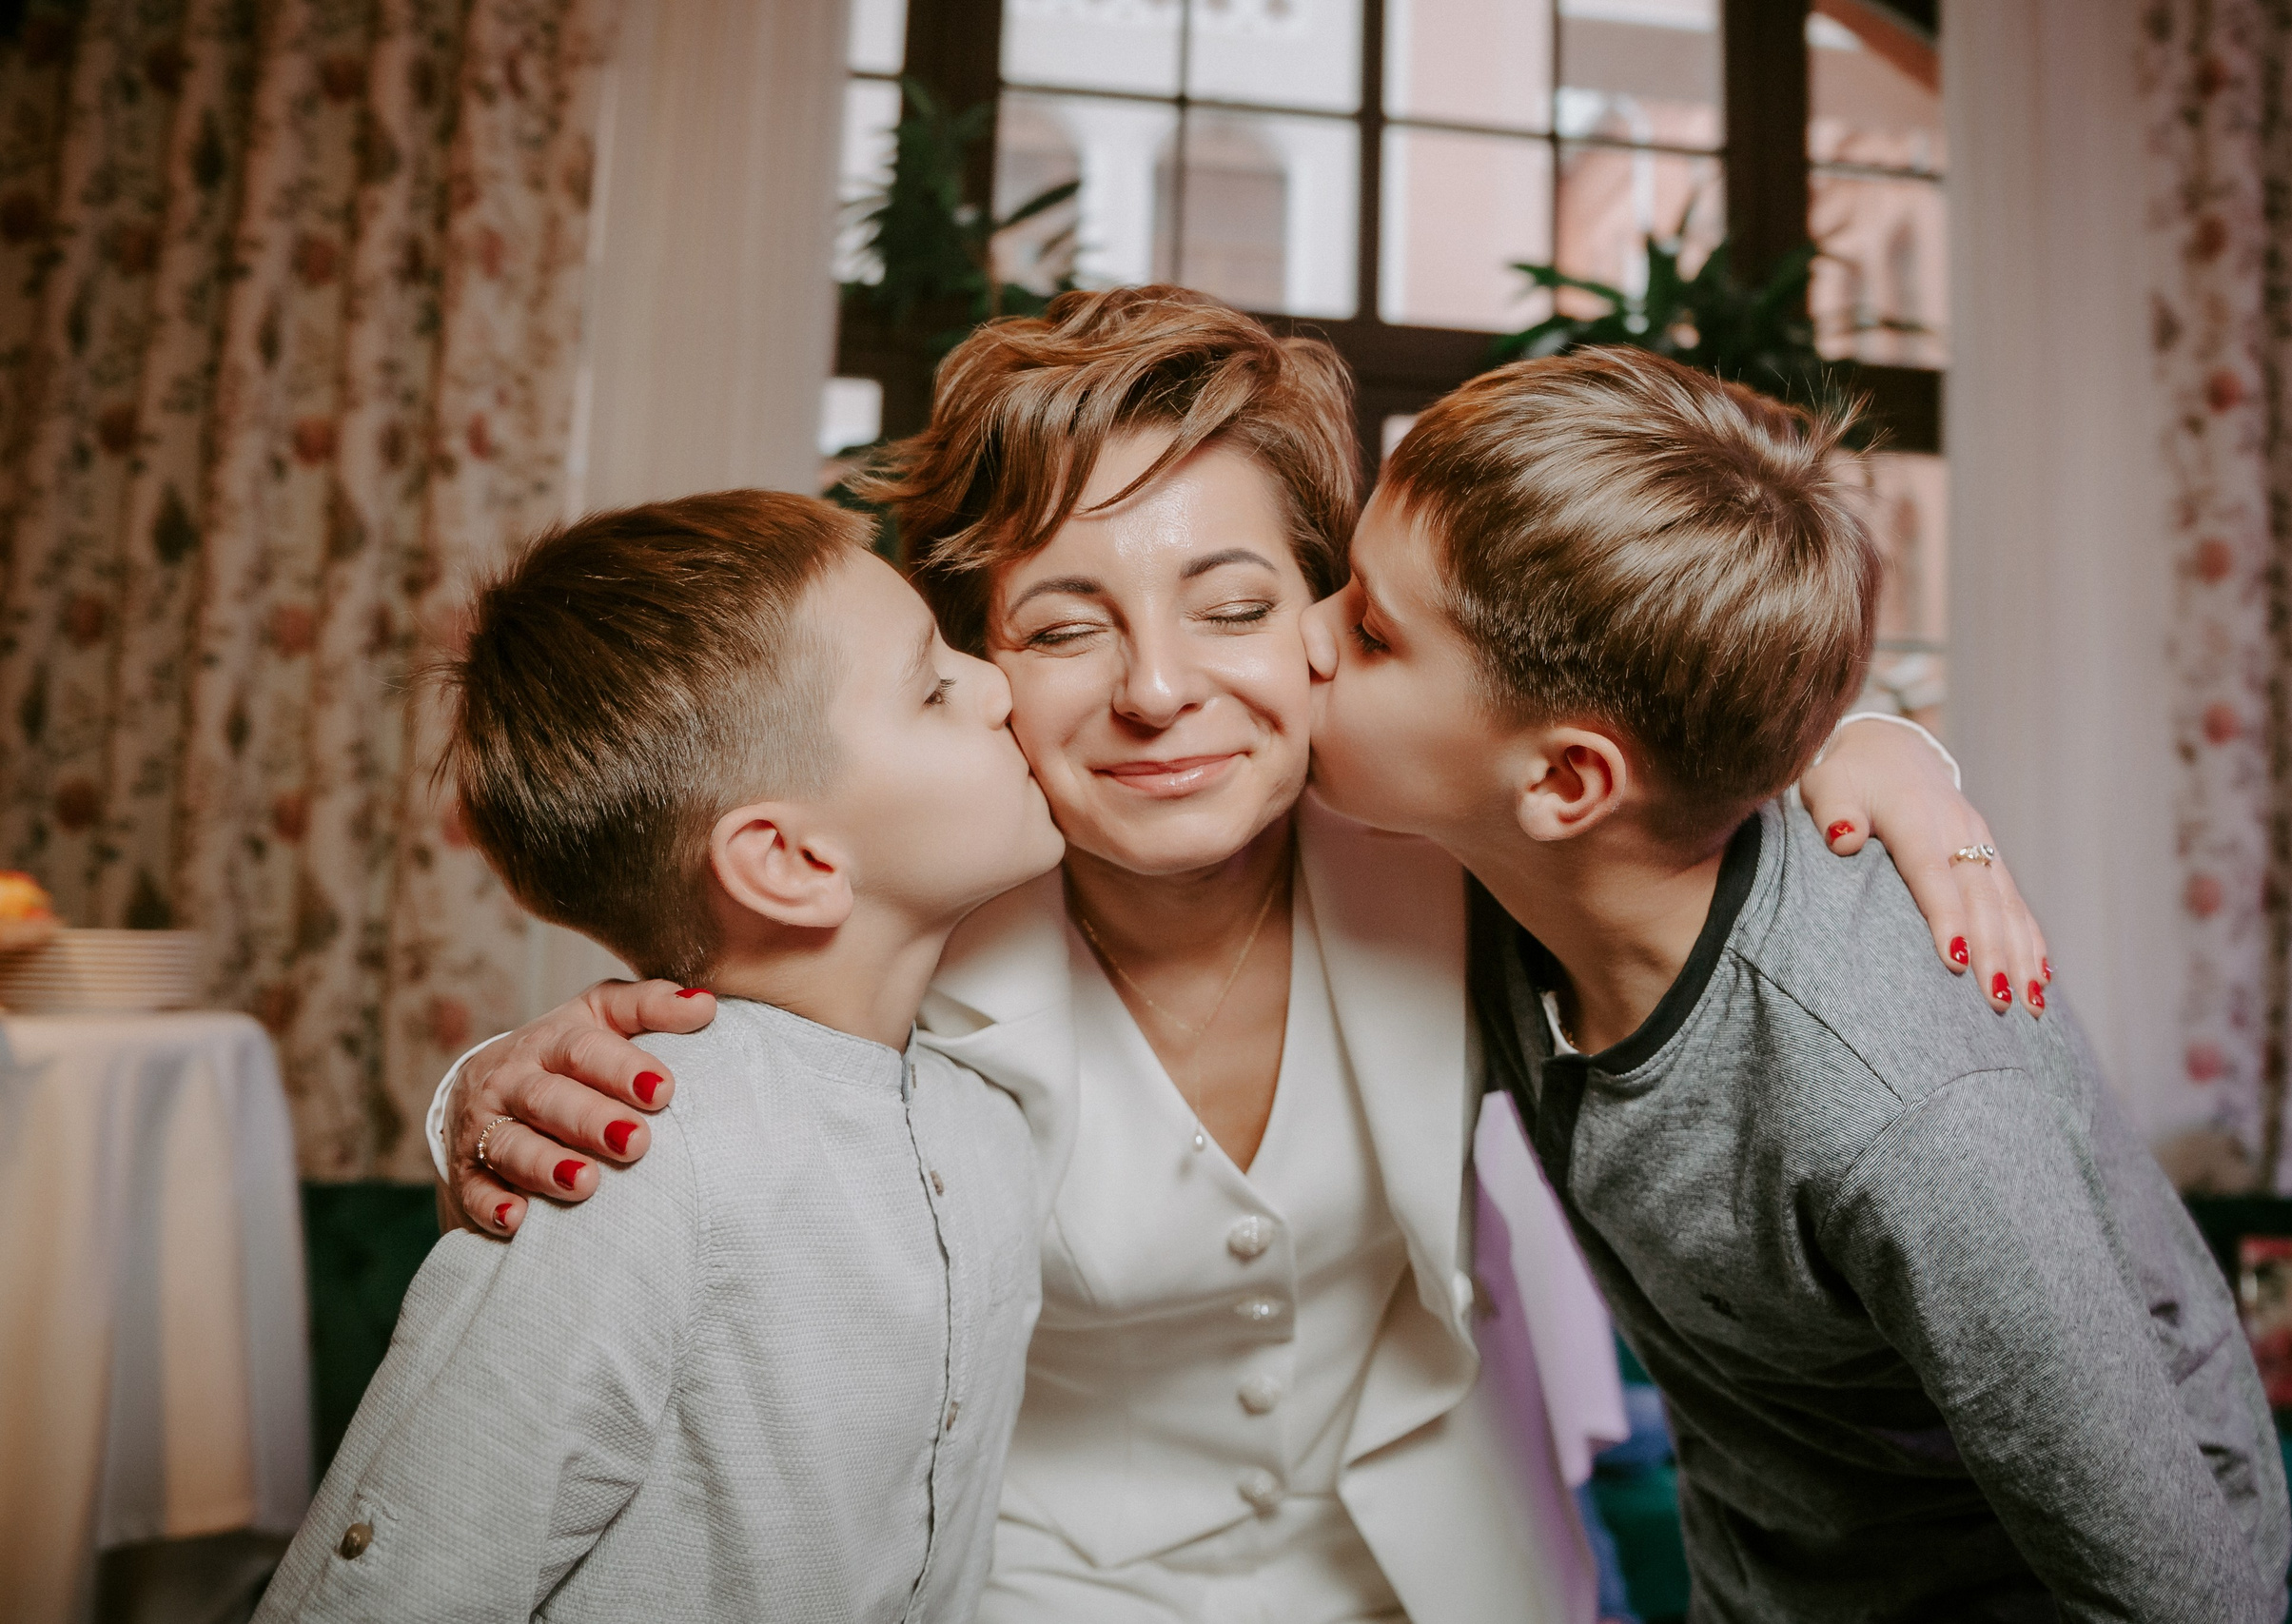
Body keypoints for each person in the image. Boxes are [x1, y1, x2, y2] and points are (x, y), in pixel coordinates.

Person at [421, 288, 2049, 1624]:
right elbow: (695, 1051)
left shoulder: (1444, 846)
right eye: (1063, 626)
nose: (1155, 690)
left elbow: (1661, 753)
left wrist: (1877, 747)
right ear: (975, 667)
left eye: (1229, 602)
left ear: (1334, 620)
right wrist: (475, 1096)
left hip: (1464, 1578)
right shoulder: (902, 923)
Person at [1297, 345, 2291, 1621]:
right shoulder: (1499, 885)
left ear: (1564, 782)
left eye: (1371, 631)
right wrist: (1887, 739)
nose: (1306, 635)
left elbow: (2190, 1594)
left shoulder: (1897, 1103)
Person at [258, 492, 1062, 1623]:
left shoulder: (988, 1125)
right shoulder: (635, 1156)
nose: (999, 684)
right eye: (934, 687)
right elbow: (394, 1574)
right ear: (787, 858)